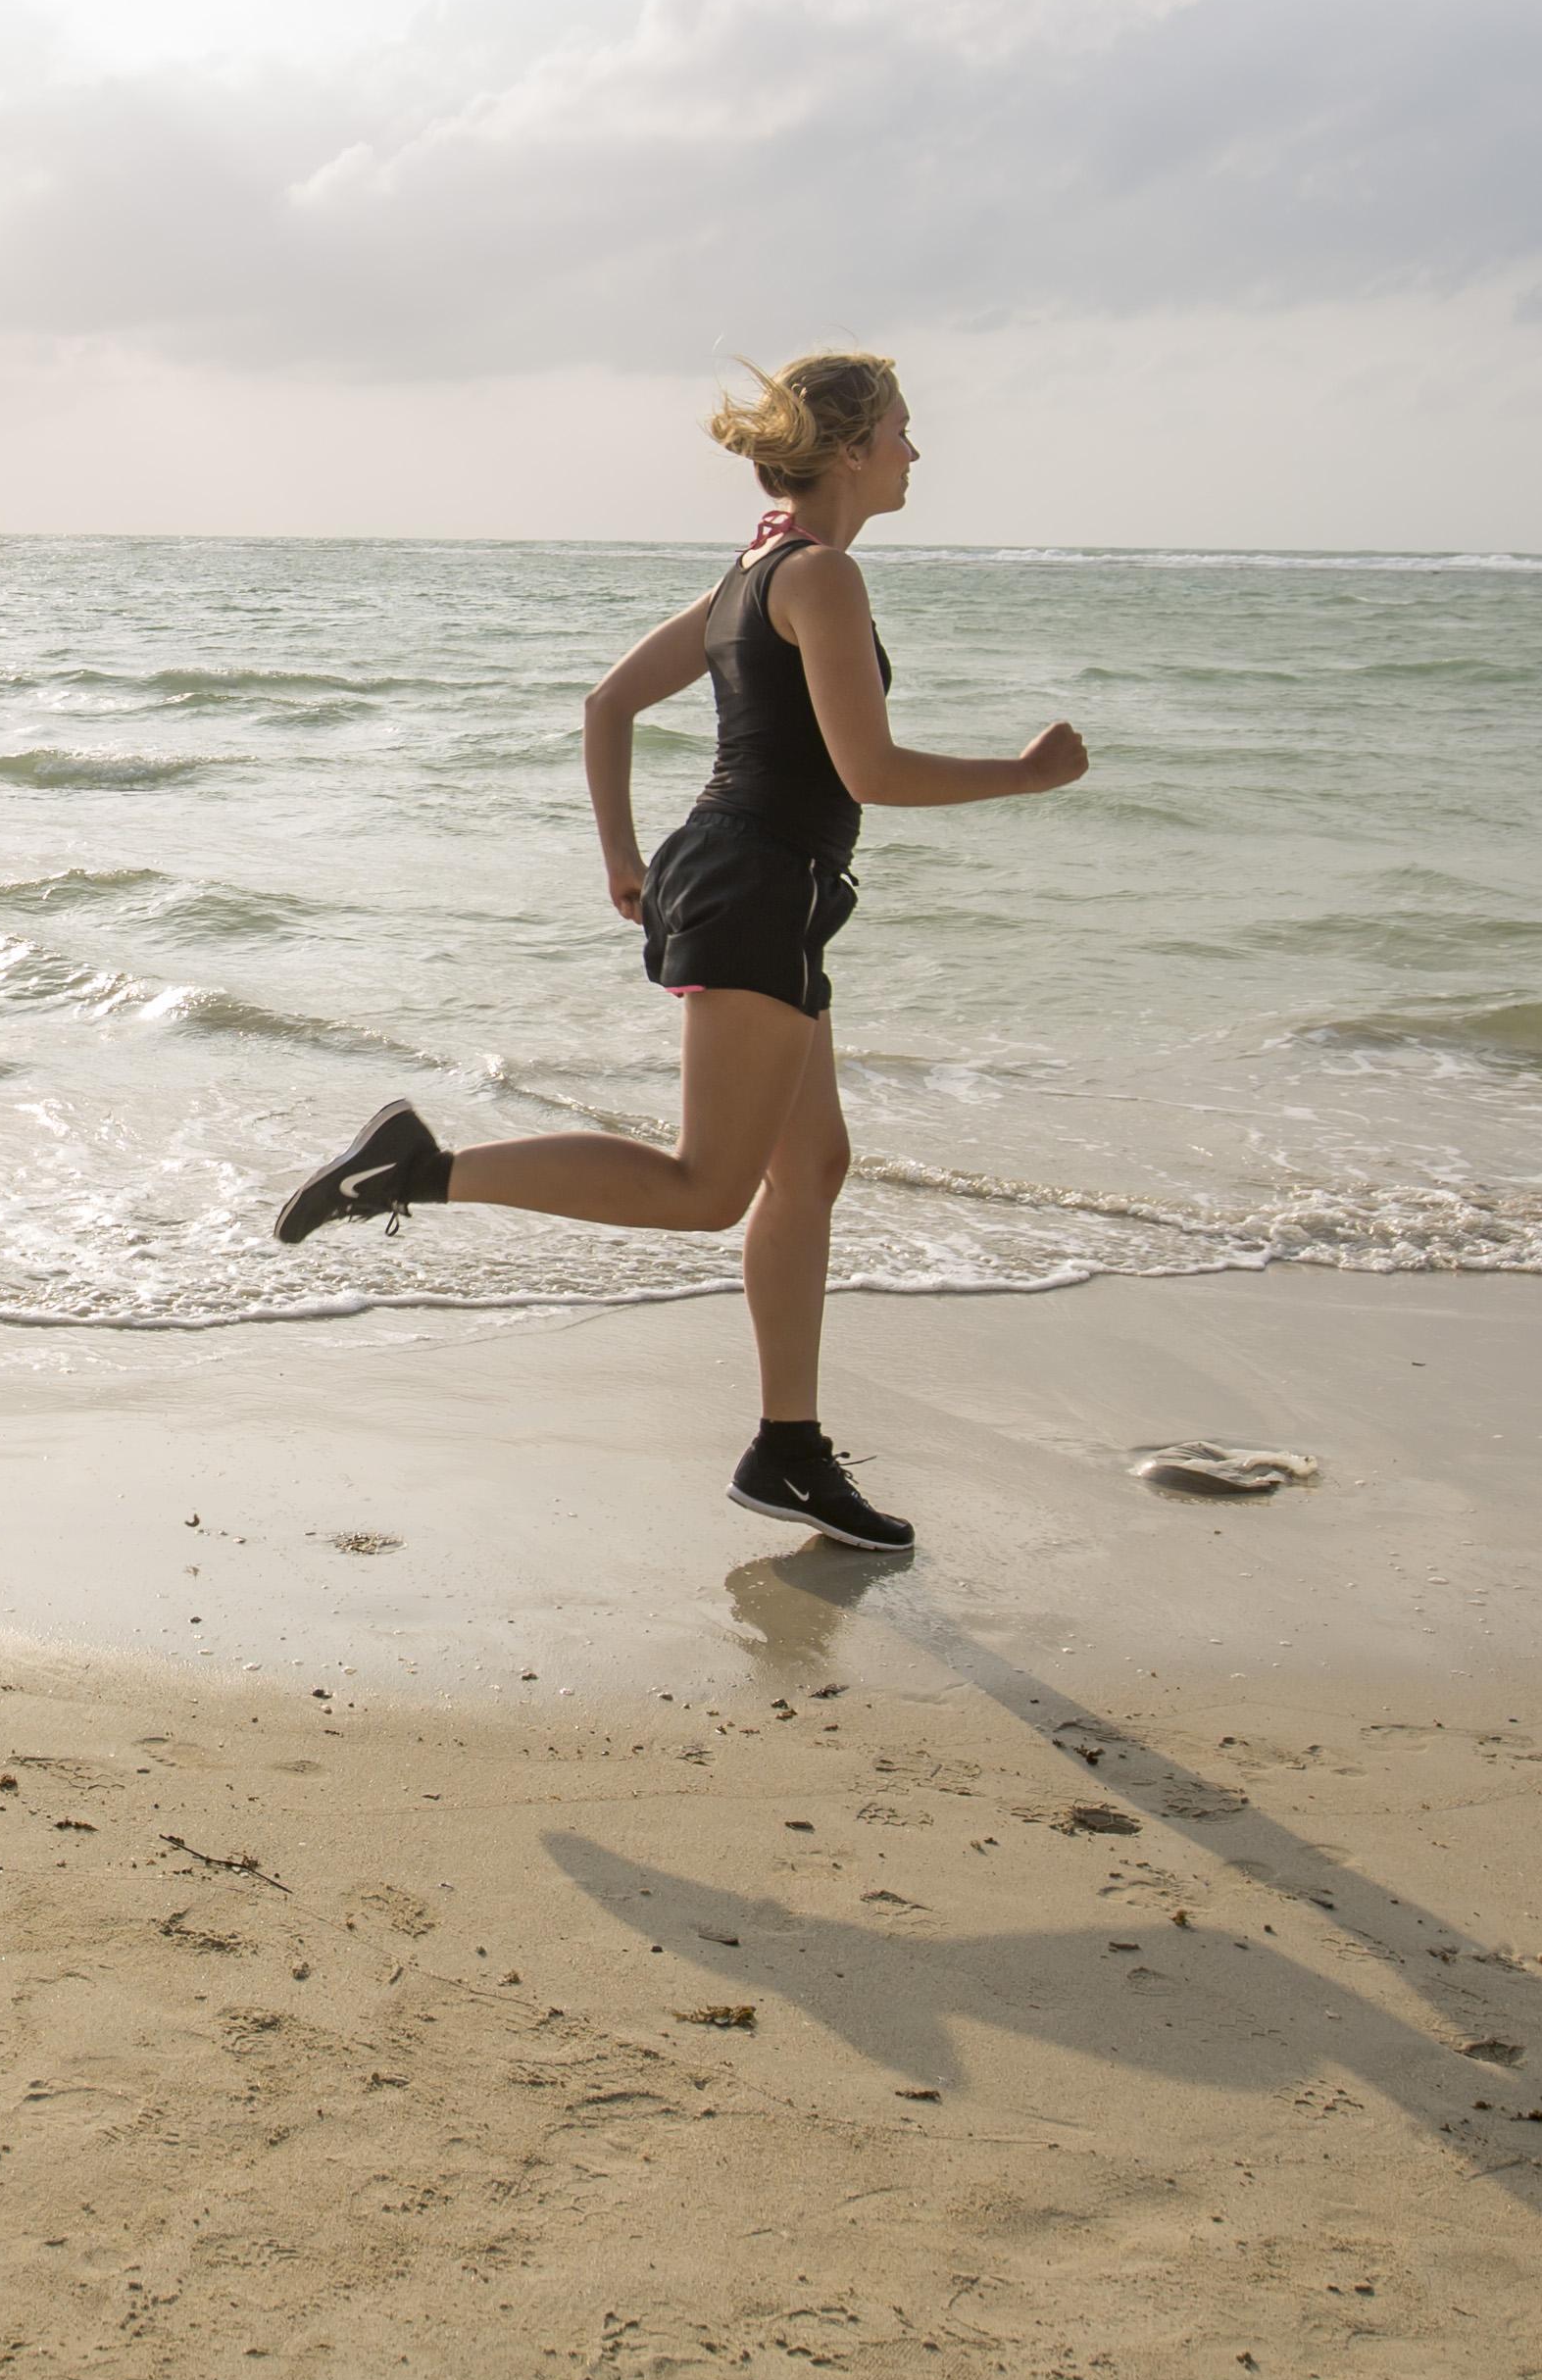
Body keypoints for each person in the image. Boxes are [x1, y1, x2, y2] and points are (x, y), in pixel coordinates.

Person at [267, 353, 1086, 1551]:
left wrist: (625, 862)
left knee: (810, 1170)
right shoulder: (821, 577)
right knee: (710, 1188)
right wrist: (1027, 775)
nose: (918, 452)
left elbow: (607, 706)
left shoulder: (754, 572)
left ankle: (787, 1450)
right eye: (905, 431)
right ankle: (415, 1167)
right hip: (759, 885)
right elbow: (869, 773)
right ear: (852, 448)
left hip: (758, 881)